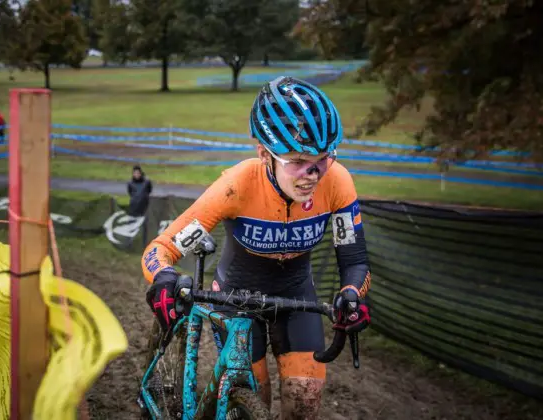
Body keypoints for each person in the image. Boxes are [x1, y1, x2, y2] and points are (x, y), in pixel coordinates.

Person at [141, 76, 371, 419]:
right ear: (264, 153)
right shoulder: (237, 186)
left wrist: (352, 295)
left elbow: (354, 259)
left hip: (296, 295)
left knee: (305, 403)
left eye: (324, 158)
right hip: (235, 296)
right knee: (253, 401)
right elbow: (160, 249)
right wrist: (164, 278)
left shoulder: (337, 182)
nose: (313, 174)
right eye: (297, 161)